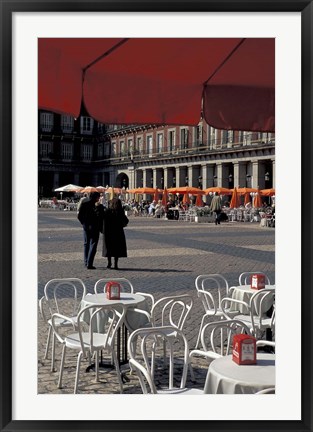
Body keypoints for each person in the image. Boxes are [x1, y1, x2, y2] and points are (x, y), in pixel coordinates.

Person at [102, 197, 129, 270]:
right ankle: (116, 264)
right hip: (118, 232)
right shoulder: (120, 211)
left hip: (108, 232)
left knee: (109, 247)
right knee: (117, 248)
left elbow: (103, 221)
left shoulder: (107, 211)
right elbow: (126, 221)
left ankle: (109, 263)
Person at [77, 191, 102, 269]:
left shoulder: (84, 204)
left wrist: (83, 223)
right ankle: (89, 263)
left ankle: (86, 262)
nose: (99, 198)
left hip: (86, 227)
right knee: (93, 244)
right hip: (94, 227)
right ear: (96, 197)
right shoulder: (97, 206)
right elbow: (100, 217)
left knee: (86, 244)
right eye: (98, 197)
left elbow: (79, 215)